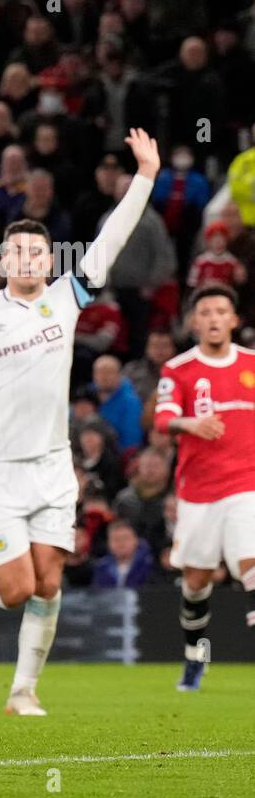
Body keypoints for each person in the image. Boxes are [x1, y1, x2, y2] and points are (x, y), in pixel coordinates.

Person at [0, 128, 160, 717]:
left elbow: (113, 237)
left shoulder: (65, 299)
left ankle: (22, 690)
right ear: (2, 261)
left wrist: (147, 176)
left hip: (53, 468)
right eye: (17, 252)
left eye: (37, 253)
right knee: (18, 587)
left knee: (50, 583)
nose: (27, 260)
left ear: (48, 260)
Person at [153, 284, 255, 691]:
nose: (214, 318)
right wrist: (189, 423)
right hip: (198, 492)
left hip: (246, 484)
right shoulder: (178, 370)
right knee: (196, 583)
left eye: (221, 311)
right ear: (195, 322)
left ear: (234, 319)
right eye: (206, 312)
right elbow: (162, 421)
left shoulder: (252, 364)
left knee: (251, 564)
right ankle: (196, 655)